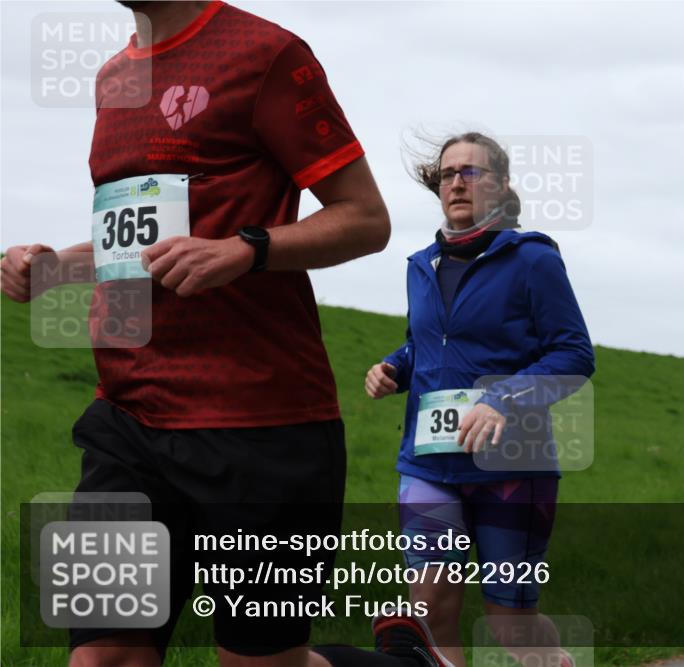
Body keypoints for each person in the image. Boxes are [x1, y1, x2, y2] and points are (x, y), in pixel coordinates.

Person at [1, 2, 450, 666]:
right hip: (126, 419)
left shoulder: (265, 55)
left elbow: (365, 219)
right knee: (103, 657)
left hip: (260, 424)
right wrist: (55, 268)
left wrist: (248, 249)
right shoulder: (112, 77)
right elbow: (136, 237)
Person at [364, 132, 595, 666]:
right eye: (448, 173)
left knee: (508, 625)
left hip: (512, 467)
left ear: (501, 185)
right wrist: (395, 368)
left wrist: (504, 399)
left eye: (473, 172)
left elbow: (574, 354)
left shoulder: (533, 259)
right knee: (430, 613)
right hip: (428, 466)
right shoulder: (421, 265)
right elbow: (427, 340)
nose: (458, 182)